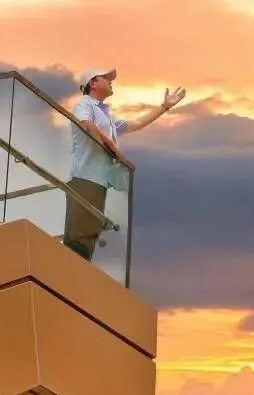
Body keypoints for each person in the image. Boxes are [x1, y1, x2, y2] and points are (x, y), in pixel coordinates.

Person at [63, 67, 186, 261]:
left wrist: (164, 107)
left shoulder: (107, 119)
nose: (111, 80)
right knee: (79, 235)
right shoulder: (84, 104)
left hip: (98, 182)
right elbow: (87, 125)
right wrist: (114, 149)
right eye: (106, 77)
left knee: (89, 233)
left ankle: (79, 273)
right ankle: (68, 273)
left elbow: (137, 123)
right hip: (84, 178)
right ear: (92, 83)